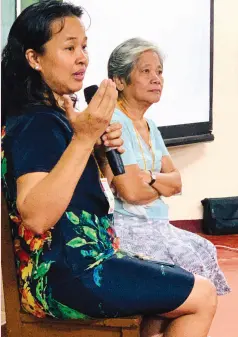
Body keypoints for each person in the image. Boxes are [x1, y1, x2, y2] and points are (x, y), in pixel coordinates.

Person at [1, 2, 217, 336]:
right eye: (69, 47)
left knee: (169, 296)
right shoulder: (37, 122)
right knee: (202, 295)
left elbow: (77, 192)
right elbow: (37, 215)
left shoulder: (52, 116)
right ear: (34, 58)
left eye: (84, 47)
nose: (82, 57)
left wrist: (98, 150)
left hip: (75, 266)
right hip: (70, 274)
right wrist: (84, 138)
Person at [107, 37, 230, 297]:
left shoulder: (150, 125)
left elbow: (177, 182)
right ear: (119, 81)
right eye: (146, 71)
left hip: (158, 224)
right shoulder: (114, 123)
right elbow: (131, 193)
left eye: (159, 72)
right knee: (190, 265)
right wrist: (159, 182)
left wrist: (149, 177)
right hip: (129, 227)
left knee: (205, 249)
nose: (156, 79)